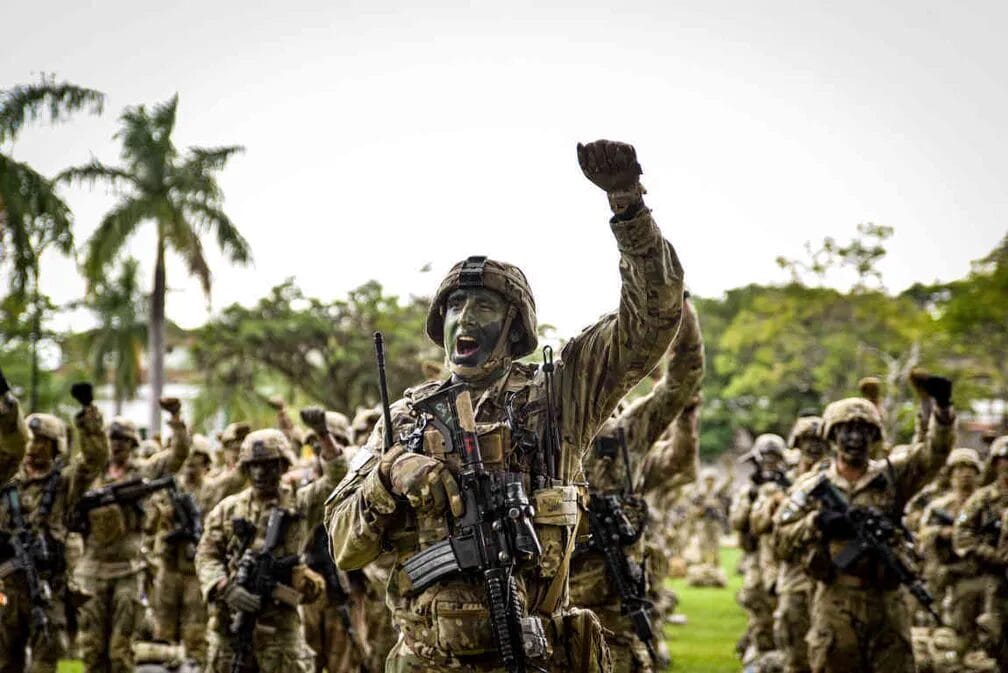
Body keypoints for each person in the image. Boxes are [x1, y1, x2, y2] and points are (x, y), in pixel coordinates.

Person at [325, 139, 685, 672]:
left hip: (533, 656)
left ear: (514, 325)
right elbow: (343, 545)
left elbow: (650, 323)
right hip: (426, 662)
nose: (465, 319)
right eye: (455, 306)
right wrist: (389, 476)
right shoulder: (402, 420)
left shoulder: (558, 396)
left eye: (485, 305)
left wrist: (628, 207)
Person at [773, 379, 956, 673]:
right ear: (832, 437)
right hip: (835, 600)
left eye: (863, 431)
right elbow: (780, 540)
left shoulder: (893, 476)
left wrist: (943, 411)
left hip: (887, 600)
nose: (854, 438)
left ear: (874, 436)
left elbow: (933, 454)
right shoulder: (812, 486)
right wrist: (817, 522)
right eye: (846, 430)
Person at [195, 427, 340, 673]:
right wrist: (223, 586)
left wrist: (325, 439)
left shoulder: (300, 503)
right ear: (245, 468)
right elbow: (206, 555)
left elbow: (337, 480)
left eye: (270, 464)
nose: (261, 472)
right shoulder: (228, 510)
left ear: (283, 465)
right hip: (231, 626)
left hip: (281, 631)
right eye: (254, 465)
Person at [76, 399, 191, 673]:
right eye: (113, 439)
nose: (117, 445)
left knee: (121, 649)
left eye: (123, 440)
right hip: (92, 568)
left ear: (132, 444)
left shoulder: (143, 472)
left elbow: (178, 455)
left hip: (128, 569)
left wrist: (176, 420)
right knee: (92, 649)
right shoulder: (91, 472)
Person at [0, 386, 109, 673]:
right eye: (31, 440)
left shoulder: (64, 482)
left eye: (42, 442)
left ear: (55, 446)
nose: (34, 447)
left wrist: (88, 415)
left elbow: (95, 460)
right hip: (6, 588)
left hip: (47, 588)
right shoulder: (7, 477)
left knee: (46, 663)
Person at [952, 436, 1008, 669]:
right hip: (995, 580)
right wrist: (989, 554)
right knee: (995, 636)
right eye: (1004, 459)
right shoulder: (981, 499)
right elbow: (961, 533)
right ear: (996, 464)